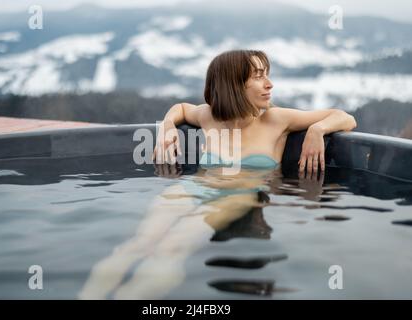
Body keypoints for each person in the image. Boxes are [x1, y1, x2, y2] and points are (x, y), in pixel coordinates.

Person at [79, 50, 357, 299]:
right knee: (138, 245)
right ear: (234, 85)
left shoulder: (276, 120)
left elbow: (344, 117)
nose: (269, 84)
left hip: (240, 193)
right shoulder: (211, 116)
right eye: (259, 77)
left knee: (172, 249)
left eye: (267, 75)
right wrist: (166, 126)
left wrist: (316, 130)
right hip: (193, 188)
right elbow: (181, 109)